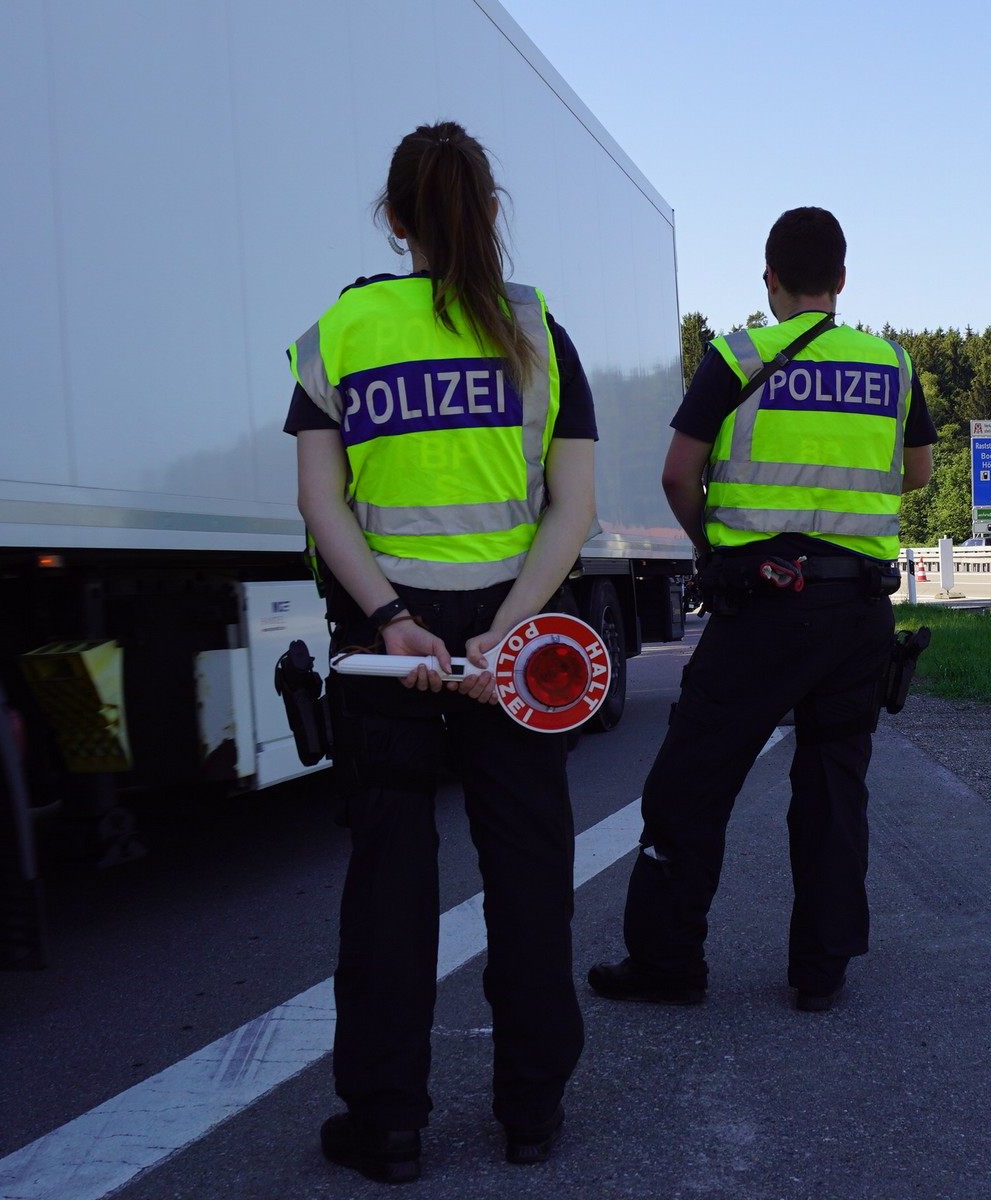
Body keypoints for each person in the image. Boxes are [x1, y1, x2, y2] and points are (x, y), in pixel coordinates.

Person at [285, 121, 597, 1182]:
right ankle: (531, 1114)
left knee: (388, 884)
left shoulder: (345, 327)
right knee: (526, 878)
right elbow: (574, 508)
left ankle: (388, 1123)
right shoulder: (535, 330)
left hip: (389, 649)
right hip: (512, 648)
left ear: (395, 218)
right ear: (490, 211)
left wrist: (387, 620)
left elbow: (321, 502)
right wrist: (508, 626)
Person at [589, 207, 936, 1014]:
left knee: (693, 783)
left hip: (762, 606)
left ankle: (668, 960)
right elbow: (916, 474)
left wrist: (712, 548)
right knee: (834, 785)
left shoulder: (737, 355)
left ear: (769, 279)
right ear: (842, 281)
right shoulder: (890, 363)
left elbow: (680, 473)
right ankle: (823, 969)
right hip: (857, 611)